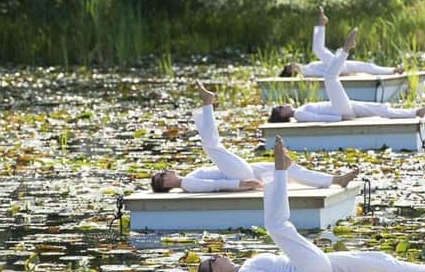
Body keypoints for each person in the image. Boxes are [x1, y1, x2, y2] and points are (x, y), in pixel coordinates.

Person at [191, 136, 425, 272]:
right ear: (216, 271)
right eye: (215, 258)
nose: (220, 255)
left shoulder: (246, 268)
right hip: (309, 270)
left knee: (377, 259)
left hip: (316, 262)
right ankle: (280, 170)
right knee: (276, 225)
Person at [151, 82, 358, 193]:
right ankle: (207, 104)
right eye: (163, 175)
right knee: (211, 146)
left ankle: (335, 180)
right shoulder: (187, 183)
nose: (166, 172)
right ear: (166, 185)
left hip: (242, 171)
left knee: (288, 169)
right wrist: (242, 185)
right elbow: (214, 186)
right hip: (237, 175)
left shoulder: (188, 178)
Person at [271, 28, 425, 123]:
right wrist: (341, 118)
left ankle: (415, 112)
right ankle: (345, 50)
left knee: (378, 109)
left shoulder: (299, 109)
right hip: (338, 110)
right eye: (280, 108)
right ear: (283, 115)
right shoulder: (298, 113)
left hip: (340, 106)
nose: (284, 105)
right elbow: (318, 119)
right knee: (330, 78)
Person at [280, 7, 404, 78]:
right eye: (289, 67)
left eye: (289, 64)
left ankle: (393, 70)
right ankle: (321, 24)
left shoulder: (307, 67)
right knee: (318, 49)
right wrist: (344, 75)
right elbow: (325, 76)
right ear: (291, 73)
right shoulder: (306, 73)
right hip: (337, 68)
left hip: (338, 65)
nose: (292, 64)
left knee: (366, 66)